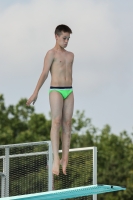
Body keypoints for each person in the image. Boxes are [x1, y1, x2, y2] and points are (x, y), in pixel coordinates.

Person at [26, 24, 74, 176]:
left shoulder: (71, 55)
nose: (66, 41)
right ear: (56, 36)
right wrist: (35, 93)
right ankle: (55, 158)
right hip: (56, 90)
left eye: (68, 39)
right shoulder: (51, 54)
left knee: (67, 123)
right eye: (64, 38)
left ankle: (65, 159)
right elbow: (45, 74)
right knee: (56, 121)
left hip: (69, 90)